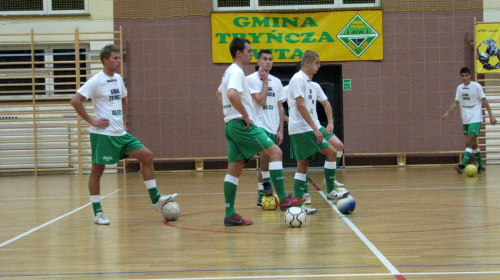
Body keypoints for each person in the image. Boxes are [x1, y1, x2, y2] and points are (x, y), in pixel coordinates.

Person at [70, 44, 178, 225]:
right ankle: (98, 213)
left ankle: (156, 199)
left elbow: (124, 99)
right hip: (103, 134)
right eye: (115, 58)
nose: (119, 61)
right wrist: (92, 121)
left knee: (147, 156)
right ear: (105, 60)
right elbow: (75, 100)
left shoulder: (118, 79)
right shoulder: (96, 81)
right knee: (98, 170)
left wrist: (124, 122)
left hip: (120, 133)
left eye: (119, 58)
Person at [216, 38, 305, 226]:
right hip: (241, 124)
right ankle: (283, 198)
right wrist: (245, 115)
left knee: (235, 167)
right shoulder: (237, 72)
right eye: (249, 51)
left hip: (231, 125)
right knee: (275, 153)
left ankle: (230, 213)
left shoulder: (228, 72)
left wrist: (229, 112)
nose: (251, 53)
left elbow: (220, 94)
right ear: (239, 53)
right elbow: (231, 94)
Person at [287, 50, 349, 210]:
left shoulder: (308, 82)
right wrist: (315, 128)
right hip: (304, 129)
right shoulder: (298, 79)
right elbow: (300, 106)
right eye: (317, 63)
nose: (319, 66)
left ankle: (300, 201)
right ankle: (330, 190)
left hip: (302, 128)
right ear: (307, 62)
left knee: (303, 164)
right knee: (332, 153)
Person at [245, 50, 287, 207]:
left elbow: (280, 106)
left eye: (270, 59)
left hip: (272, 125)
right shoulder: (251, 80)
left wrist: (281, 129)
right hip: (258, 125)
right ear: (258, 61)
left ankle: (260, 195)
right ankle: (267, 190)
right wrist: (264, 81)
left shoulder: (277, 81)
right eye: (264, 59)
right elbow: (260, 101)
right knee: (268, 157)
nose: (268, 62)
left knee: (266, 160)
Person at [442, 67, 497, 174]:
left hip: (475, 117)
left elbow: (484, 101)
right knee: (473, 143)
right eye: (462, 76)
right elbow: (456, 102)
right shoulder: (460, 88)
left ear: (470, 75)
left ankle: (462, 165)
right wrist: (448, 111)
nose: (465, 78)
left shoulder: (476, 86)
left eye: (466, 75)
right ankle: (481, 166)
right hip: (465, 118)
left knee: (468, 142)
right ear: (460, 76)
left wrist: (491, 116)